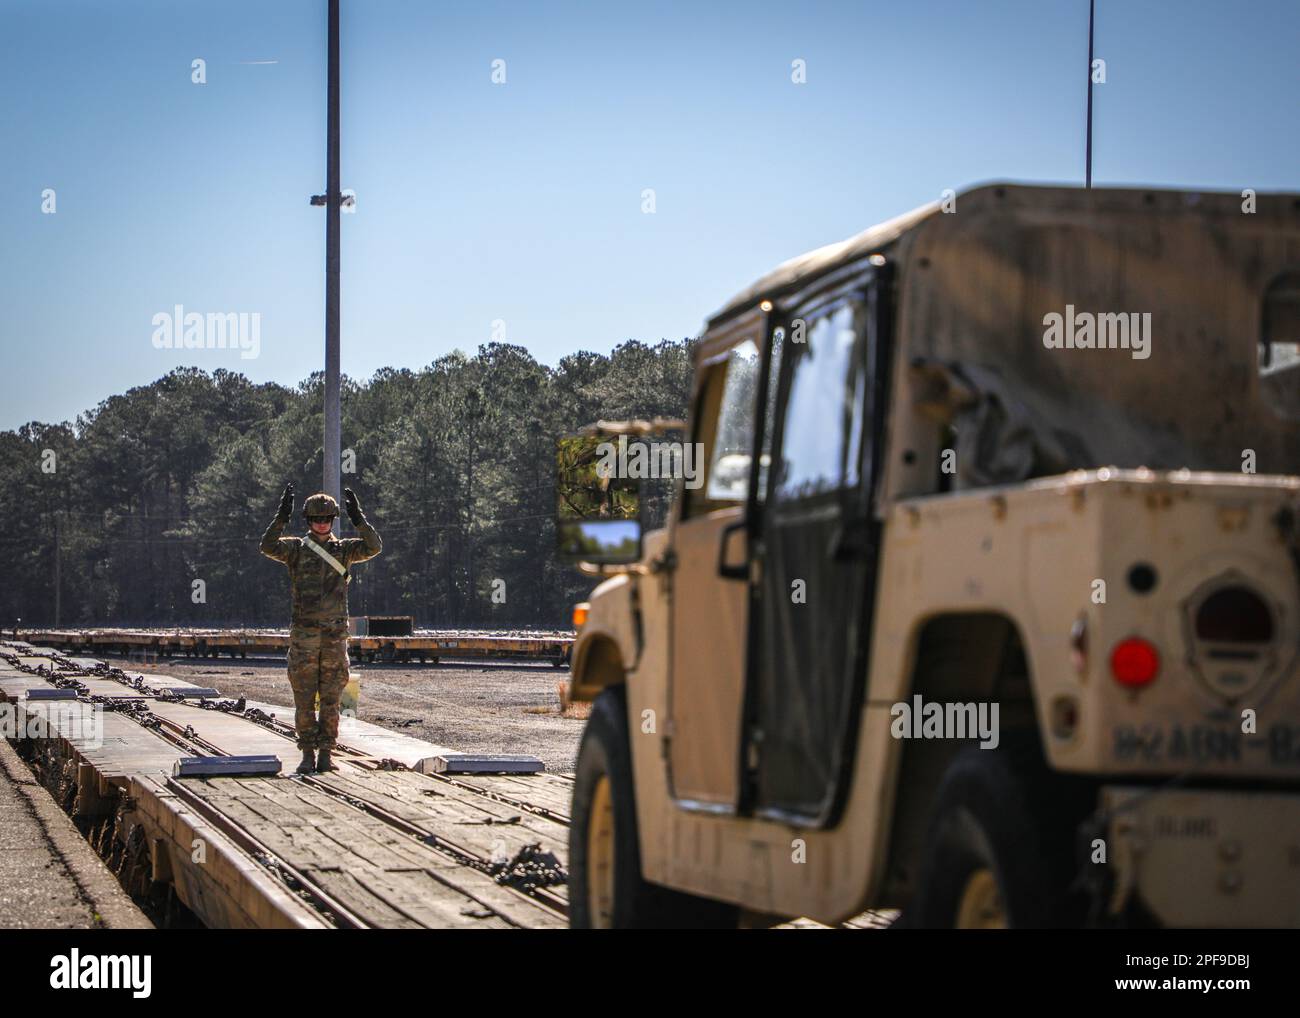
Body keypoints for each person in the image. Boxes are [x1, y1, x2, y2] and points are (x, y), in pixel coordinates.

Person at [259, 483, 382, 773]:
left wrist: (359, 518)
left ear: (334, 520)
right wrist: (281, 517)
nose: (321, 524)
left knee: (331, 699)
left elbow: (374, 547)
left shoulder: (344, 550)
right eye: (316, 519)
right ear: (308, 521)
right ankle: (306, 753)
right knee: (303, 698)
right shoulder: (296, 549)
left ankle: (326, 751)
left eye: (326, 519)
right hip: (304, 637)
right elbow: (267, 546)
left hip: (333, 638)